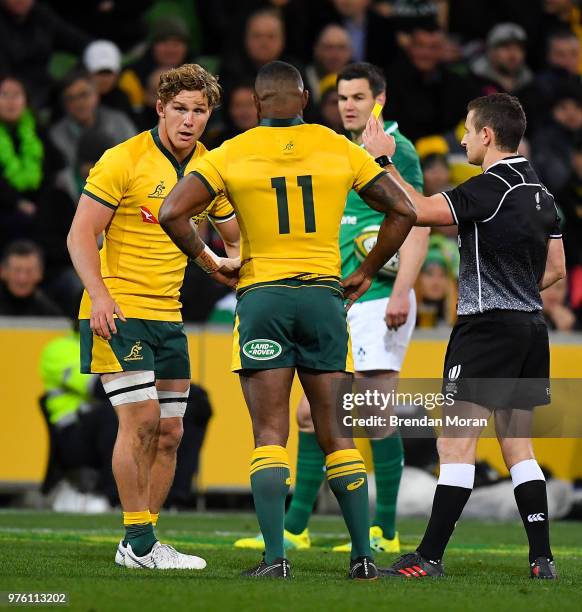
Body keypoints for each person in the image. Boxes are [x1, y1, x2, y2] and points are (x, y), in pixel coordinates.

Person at [159, 60, 416, 580]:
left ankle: (276, 558)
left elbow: (171, 213)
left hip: (263, 301)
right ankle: (364, 558)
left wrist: (213, 265)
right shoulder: (338, 147)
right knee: (338, 435)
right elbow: (404, 211)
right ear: (303, 100)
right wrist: (366, 271)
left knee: (271, 432)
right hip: (324, 297)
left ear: (255, 105)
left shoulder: (230, 152)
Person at [362, 93, 565, 579]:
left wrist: (383, 160)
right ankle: (542, 559)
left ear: (488, 136)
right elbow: (556, 268)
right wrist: (515, 293)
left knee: (454, 447)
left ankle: (428, 558)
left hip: (486, 329)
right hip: (530, 329)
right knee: (519, 447)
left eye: (469, 131)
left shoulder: (488, 187)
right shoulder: (543, 192)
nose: (463, 139)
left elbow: (418, 210)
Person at [234, 61, 427, 555]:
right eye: (342, 98)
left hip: (379, 294)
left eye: (359, 98)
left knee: (372, 412)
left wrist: (403, 287)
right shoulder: (338, 148)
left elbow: (416, 217)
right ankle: (298, 525)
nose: (349, 106)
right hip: (340, 293)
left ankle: (383, 529)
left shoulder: (393, 149)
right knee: (312, 414)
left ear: (379, 100)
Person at [67, 63, 241, 571]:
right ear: (160, 107)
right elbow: (80, 235)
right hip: (117, 309)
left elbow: (233, 238)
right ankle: (139, 542)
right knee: (141, 421)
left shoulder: (211, 168)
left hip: (169, 315)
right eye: (180, 109)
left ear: (210, 114)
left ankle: (142, 541)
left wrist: (230, 266)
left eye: (199, 111)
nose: (189, 120)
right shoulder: (122, 159)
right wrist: (98, 297)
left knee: (171, 433)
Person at [50, 69, 137, 170]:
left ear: (96, 95)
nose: (79, 103)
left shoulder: (118, 122)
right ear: (64, 104)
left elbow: (137, 159)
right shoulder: (57, 135)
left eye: (84, 95)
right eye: (71, 98)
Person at [0, 240, 62, 316]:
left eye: (29, 271)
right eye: (16, 270)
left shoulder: (51, 313)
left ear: (40, 273)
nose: (22, 279)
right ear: (3, 271)